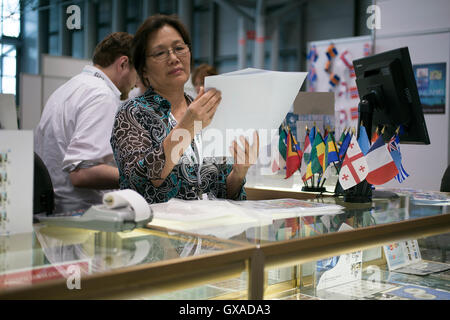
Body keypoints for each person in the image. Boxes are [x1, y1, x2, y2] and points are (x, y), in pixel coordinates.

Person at [111, 14, 258, 204]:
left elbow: (222, 191)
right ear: (144, 69)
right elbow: (138, 181)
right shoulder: (132, 113)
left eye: (179, 48)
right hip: (157, 230)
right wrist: (186, 127)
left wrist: (238, 173)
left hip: (210, 229)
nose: (173, 58)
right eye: (160, 53)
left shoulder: (206, 111)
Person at [35, 32, 137, 213]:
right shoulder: (102, 95)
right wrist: (141, 177)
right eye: (137, 73)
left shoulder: (67, 89)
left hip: (55, 213)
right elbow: (83, 173)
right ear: (123, 64)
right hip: (82, 219)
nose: (136, 84)